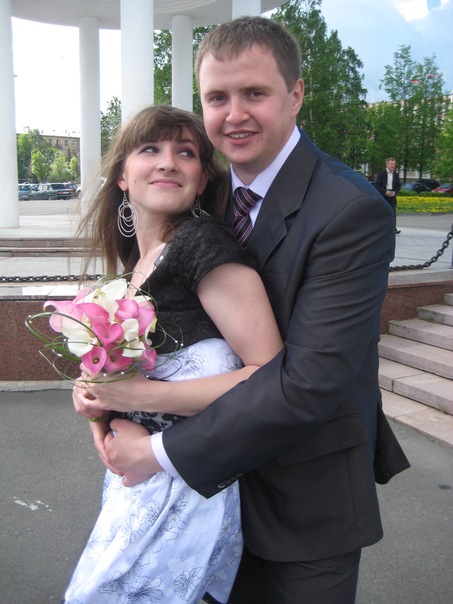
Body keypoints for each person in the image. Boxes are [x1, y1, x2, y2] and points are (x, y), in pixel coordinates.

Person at [76, 17, 409, 604]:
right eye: (217, 98)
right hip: (207, 504)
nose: (235, 115)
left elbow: (307, 383)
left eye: (254, 93)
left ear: (295, 94)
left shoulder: (348, 210)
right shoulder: (201, 195)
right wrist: (104, 397)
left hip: (303, 500)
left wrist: (156, 451)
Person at [65, 104, 283, 604]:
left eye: (185, 153)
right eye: (150, 149)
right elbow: (120, 382)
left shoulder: (199, 243)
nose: (167, 161)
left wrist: (134, 395)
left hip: (189, 491)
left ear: (202, 179)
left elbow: (269, 374)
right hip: (139, 488)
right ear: (123, 176)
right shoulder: (134, 269)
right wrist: (95, 402)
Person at [375, 157, 402, 234]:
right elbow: (377, 185)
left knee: (393, 213)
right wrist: (385, 192)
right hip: (384, 196)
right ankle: (381, 228)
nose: (393, 166)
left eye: (394, 164)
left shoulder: (396, 175)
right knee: (383, 212)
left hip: (392, 196)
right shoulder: (381, 174)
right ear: (387, 164)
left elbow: (398, 186)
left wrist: (394, 192)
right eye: (391, 164)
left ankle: (393, 229)